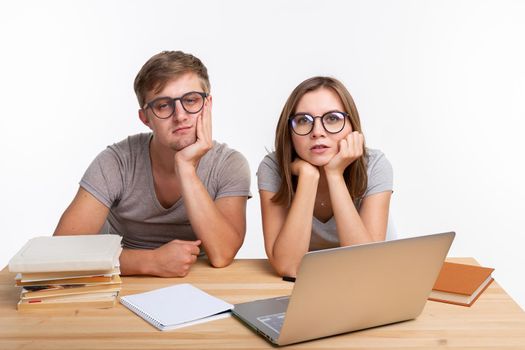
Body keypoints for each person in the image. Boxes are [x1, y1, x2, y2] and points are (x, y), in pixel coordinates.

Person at [54, 51, 251, 277]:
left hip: (201, 282)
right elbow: (60, 254)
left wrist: (186, 168)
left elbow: (222, 254)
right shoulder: (117, 161)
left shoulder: (229, 164)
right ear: (145, 118)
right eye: (163, 105)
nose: (180, 115)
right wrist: (149, 262)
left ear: (208, 105)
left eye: (191, 100)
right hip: (122, 282)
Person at [257, 76, 393, 277]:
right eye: (303, 120)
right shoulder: (273, 167)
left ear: (352, 126)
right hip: (305, 286)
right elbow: (288, 267)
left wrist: (334, 174)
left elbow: (364, 266)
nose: (317, 132)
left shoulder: (375, 165)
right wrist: (308, 177)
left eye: (332, 118)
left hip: (360, 285)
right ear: (290, 132)